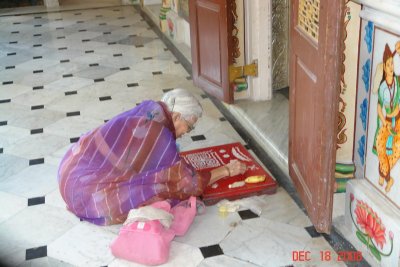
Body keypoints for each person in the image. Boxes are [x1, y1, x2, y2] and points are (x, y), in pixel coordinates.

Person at [58, 88, 246, 225]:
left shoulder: (150, 109)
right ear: (177, 116)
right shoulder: (159, 134)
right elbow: (188, 183)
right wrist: (226, 170)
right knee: (164, 189)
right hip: (85, 194)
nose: (186, 132)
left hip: (69, 171)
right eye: (189, 126)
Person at [373, 42, 400, 193]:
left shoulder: (397, 82)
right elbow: (378, 107)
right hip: (387, 122)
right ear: (384, 68)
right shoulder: (383, 87)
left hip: (398, 122)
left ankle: (384, 176)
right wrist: (384, 122)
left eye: (392, 64)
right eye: (388, 65)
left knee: (394, 152)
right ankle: (388, 178)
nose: (391, 67)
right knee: (380, 147)